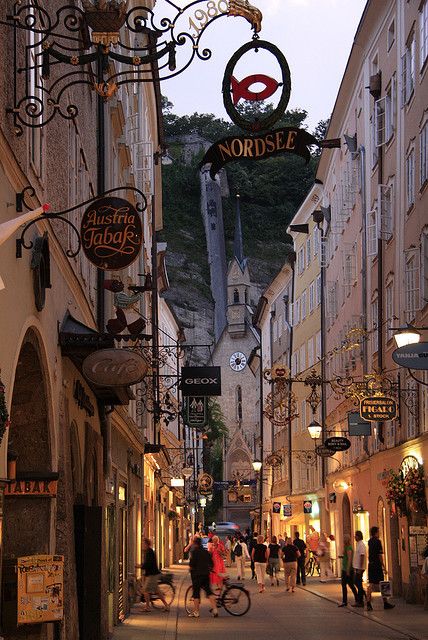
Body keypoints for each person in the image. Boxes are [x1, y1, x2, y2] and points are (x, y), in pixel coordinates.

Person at [188, 536, 219, 618]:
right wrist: (209, 569)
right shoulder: (206, 552)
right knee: (209, 592)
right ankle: (215, 610)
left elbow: (191, 565)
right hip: (206, 575)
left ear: (195, 543)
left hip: (197, 576)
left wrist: (191, 570)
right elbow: (211, 563)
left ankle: (196, 612)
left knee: (196, 594)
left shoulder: (194, 552)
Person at [366, 526, 395, 611]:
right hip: (377, 565)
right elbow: (380, 556)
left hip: (371, 565)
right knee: (383, 583)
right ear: (375, 533)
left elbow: (369, 554)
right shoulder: (378, 542)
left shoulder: (369, 542)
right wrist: (384, 567)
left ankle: (368, 602)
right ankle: (385, 603)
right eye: (378, 532)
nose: (379, 533)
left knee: (370, 584)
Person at [141, 538, 169, 612]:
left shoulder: (149, 552)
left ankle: (147, 607)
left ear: (147, 544)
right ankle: (166, 606)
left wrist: (140, 566)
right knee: (157, 591)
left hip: (152, 575)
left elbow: (148, 564)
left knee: (145, 590)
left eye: (143, 544)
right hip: (152, 574)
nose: (142, 545)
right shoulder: (147, 551)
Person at [338, 534, 359, 607]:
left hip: (348, 569)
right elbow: (345, 555)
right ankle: (345, 601)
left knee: (350, 585)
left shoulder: (349, 548)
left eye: (344, 539)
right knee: (345, 585)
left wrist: (347, 570)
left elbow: (350, 559)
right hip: (345, 568)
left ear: (347, 540)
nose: (343, 540)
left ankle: (356, 599)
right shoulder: (346, 547)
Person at [352, 530, 366, 607]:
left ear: (359, 536)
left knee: (358, 583)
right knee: (357, 582)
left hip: (359, 567)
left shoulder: (361, 545)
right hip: (357, 567)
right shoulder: (358, 544)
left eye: (355, 535)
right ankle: (363, 595)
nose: (354, 537)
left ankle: (360, 601)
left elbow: (362, 556)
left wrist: (360, 568)